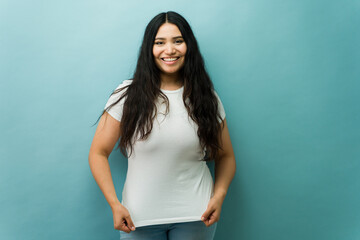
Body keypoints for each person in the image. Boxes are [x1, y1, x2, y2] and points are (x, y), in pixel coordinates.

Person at [88, 11, 236, 240]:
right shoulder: (128, 94)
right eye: (160, 42)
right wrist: (114, 204)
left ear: (189, 46)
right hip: (137, 220)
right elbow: (98, 152)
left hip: (197, 216)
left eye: (178, 41)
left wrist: (219, 196)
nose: (170, 50)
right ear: (150, 48)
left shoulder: (206, 97)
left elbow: (226, 156)